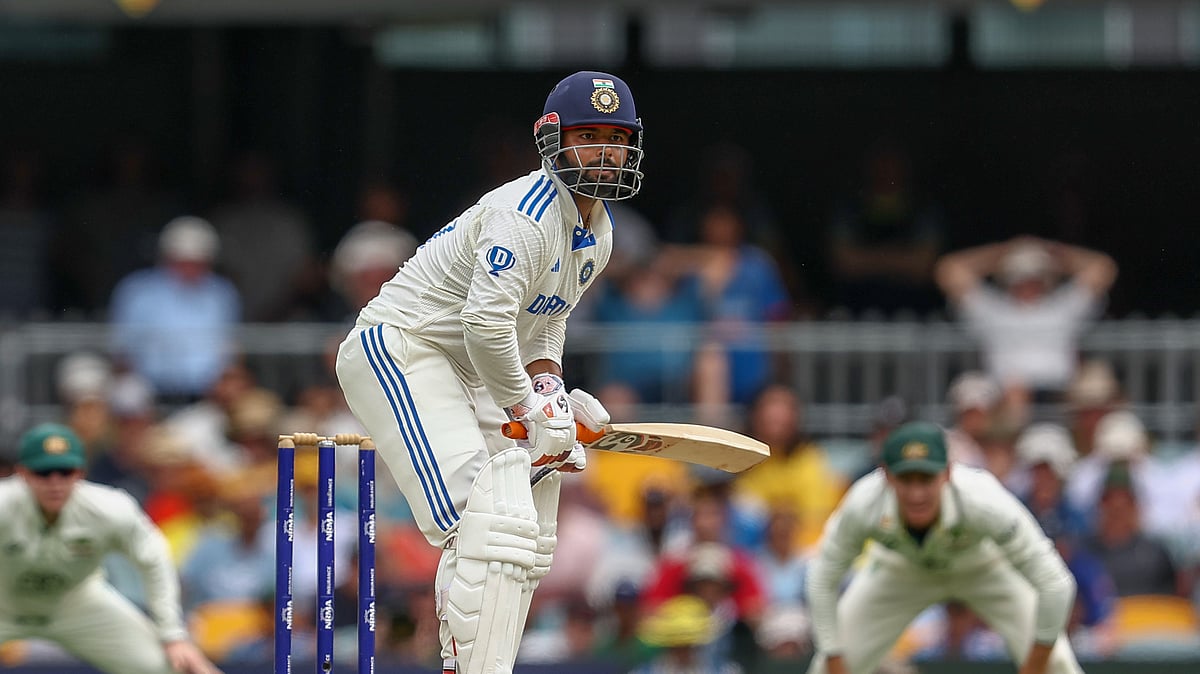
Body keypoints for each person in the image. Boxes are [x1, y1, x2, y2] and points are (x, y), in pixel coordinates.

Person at [334, 70, 644, 674]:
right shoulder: (522, 216)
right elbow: (484, 324)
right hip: (402, 348)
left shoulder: (597, 232)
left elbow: (544, 321)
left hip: (471, 368)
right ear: (552, 139)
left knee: (519, 535)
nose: (604, 151)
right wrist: (529, 411)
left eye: (616, 136)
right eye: (589, 135)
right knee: (478, 516)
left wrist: (551, 390)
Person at [805, 421, 1083, 674]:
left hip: (983, 567)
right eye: (906, 479)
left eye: (925, 479)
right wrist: (833, 656)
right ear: (886, 475)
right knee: (826, 668)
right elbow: (821, 578)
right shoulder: (863, 504)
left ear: (947, 473)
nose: (916, 494)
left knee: (1056, 665)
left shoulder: (983, 500)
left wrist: (1034, 669)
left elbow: (1056, 583)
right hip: (900, 570)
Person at [0, 422, 221, 674]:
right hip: (4, 604)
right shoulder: (3, 504)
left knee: (172, 667)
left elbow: (154, 560)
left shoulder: (110, 508)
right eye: (43, 472)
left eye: (65, 471)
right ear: (22, 474)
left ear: (80, 472)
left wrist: (173, 634)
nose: (55, 482)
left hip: (77, 602)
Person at [934, 235, 1117, 402]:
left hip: (1059, 394)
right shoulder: (993, 310)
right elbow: (949, 270)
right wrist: (1002, 253)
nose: (1028, 282)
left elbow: (1103, 268)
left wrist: (1055, 252)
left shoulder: (1062, 307)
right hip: (1008, 397)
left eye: (1035, 275)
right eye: (1019, 276)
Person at [109, 216, 241, 402]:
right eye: (182, 261)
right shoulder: (137, 291)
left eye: (198, 262)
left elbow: (230, 348)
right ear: (166, 257)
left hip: (206, 393)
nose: (190, 269)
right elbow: (122, 350)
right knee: (127, 394)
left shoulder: (222, 293)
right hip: (148, 391)